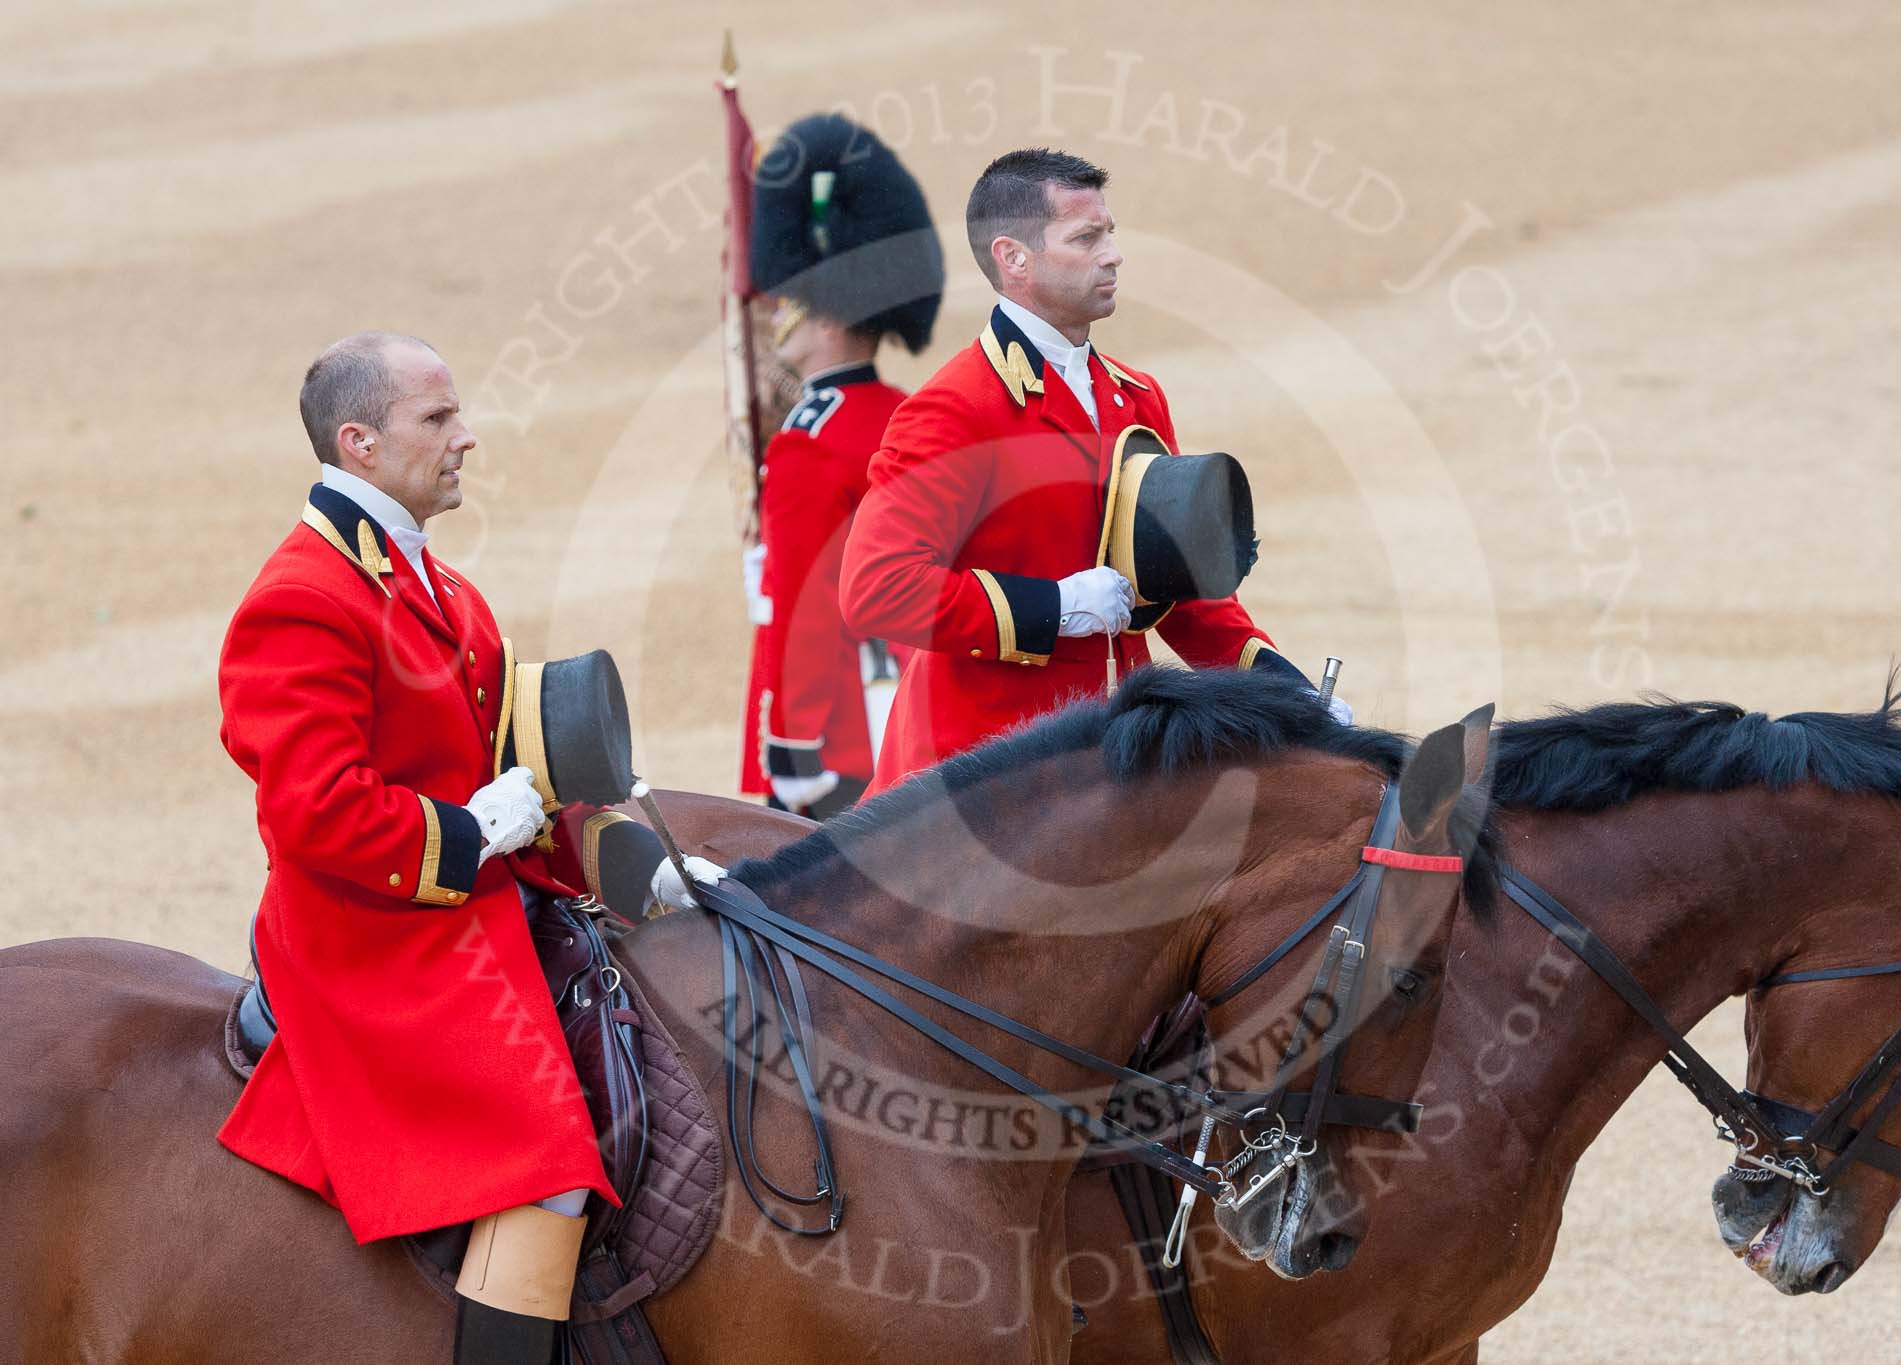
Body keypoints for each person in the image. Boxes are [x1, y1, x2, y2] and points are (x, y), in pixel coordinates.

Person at [216, 332, 694, 1364]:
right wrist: (472, 832)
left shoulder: (443, 589)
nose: (465, 437)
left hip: (464, 902)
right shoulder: (303, 596)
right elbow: (312, 811)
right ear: (359, 445)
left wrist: (648, 869)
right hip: (371, 934)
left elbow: (522, 779)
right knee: (549, 1163)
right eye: (435, 420)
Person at [840, 149, 1349, 788]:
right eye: (1086, 238)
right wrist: (1055, 606)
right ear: (1013, 258)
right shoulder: (954, 409)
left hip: (1111, 771)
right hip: (980, 776)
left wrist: (1287, 692)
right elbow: (879, 589)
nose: (1113, 254)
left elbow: (1179, 594)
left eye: (1109, 233)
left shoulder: (1137, 396)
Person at [736, 113, 944, 818]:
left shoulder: (807, 440)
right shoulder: (911, 409)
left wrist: (796, 742)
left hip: (841, 739)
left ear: (827, 318)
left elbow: (807, 610)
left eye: (794, 302)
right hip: (917, 712)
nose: (779, 317)